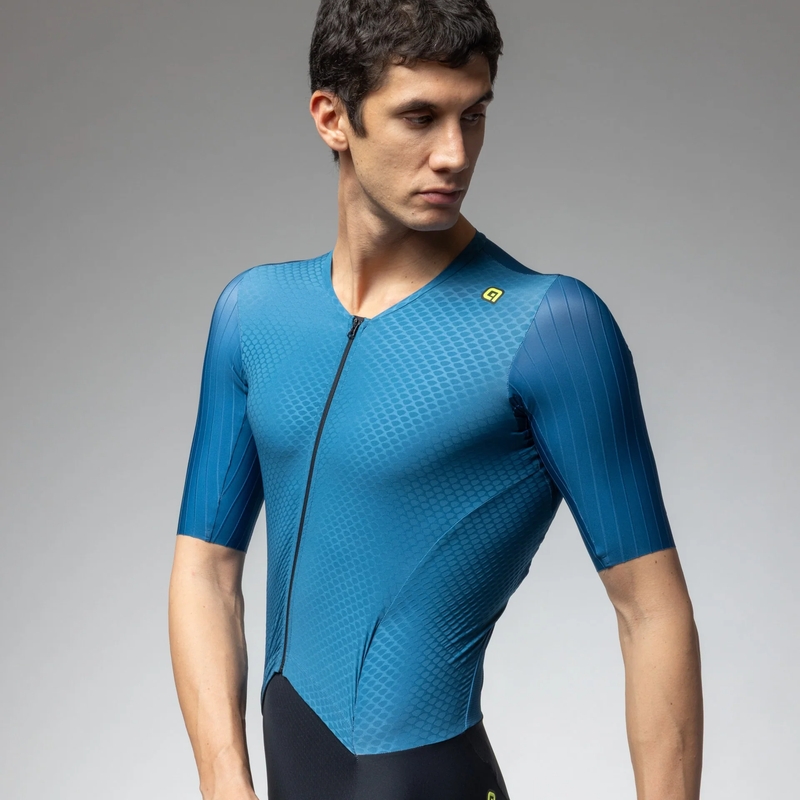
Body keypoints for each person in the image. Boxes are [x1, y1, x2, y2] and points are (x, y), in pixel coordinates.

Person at [168, 1, 703, 798]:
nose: (454, 154)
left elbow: (651, 612)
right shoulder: (255, 314)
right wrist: (223, 784)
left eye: (473, 115)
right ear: (332, 118)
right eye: (420, 117)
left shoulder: (549, 328)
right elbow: (205, 570)